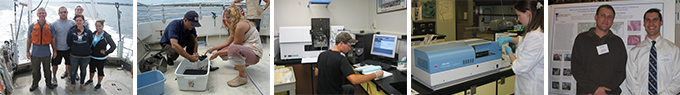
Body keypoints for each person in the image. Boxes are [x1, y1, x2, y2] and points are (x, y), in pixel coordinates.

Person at [570, 4, 627, 95]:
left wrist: (604, 91)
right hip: (586, 92)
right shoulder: (581, 39)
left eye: (609, 17)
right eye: (602, 15)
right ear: (596, 17)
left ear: (612, 21)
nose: (606, 19)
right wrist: (593, 89)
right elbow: (576, 67)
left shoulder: (618, 42)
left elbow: (621, 71)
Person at [623, 8, 680, 95]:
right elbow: (631, 81)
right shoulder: (635, 52)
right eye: (648, 20)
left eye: (655, 20)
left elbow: (678, 78)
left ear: (661, 22)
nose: (651, 23)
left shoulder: (673, 50)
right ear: (644, 23)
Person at [206, 6, 264, 87]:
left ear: (234, 17)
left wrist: (217, 53)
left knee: (233, 49)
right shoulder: (236, 25)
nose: (226, 20)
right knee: (221, 49)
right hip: (247, 50)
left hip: (255, 55)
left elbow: (235, 47)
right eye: (226, 17)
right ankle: (242, 65)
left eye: (228, 17)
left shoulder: (240, 26)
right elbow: (227, 42)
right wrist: (213, 49)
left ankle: (242, 77)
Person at [496, 0, 544, 94]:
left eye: (519, 15)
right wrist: (510, 39)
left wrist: (510, 53)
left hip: (532, 88)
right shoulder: (536, 32)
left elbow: (518, 67)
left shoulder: (536, 37)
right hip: (527, 84)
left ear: (528, 13)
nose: (518, 19)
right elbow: (525, 41)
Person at [313, 32, 384, 95]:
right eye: (349, 45)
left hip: (320, 93)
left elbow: (317, 72)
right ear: (341, 43)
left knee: (349, 88)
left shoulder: (322, 54)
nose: (350, 48)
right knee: (350, 88)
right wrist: (375, 75)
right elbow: (354, 80)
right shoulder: (341, 59)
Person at [27, 7, 57, 91]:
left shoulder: (50, 26)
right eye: (40, 13)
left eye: (43, 13)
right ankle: (35, 83)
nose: (41, 15)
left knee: (47, 70)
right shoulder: (31, 26)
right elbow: (29, 39)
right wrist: (27, 51)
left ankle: (48, 82)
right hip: (35, 54)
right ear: (37, 15)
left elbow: (53, 39)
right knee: (35, 71)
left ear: (46, 14)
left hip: (46, 54)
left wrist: (54, 51)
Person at [85, 20, 116, 90]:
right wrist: (90, 49)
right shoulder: (93, 34)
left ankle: (99, 83)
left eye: (99, 26)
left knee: (100, 71)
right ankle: (91, 79)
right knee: (91, 69)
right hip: (92, 56)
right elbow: (90, 42)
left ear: (102, 26)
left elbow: (113, 46)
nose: (98, 27)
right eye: (96, 26)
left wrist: (106, 52)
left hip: (101, 58)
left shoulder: (106, 36)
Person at [52, 6, 77, 85]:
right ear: (59, 13)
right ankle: (54, 77)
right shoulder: (54, 24)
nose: (63, 13)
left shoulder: (72, 23)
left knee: (69, 63)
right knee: (54, 64)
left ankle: (69, 75)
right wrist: (54, 50)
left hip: (69, 48)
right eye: (61, 12)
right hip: (58, 49)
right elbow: (53, 38)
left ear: (67, 12)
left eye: (64, 12)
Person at [67, 14, 93, 91]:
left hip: (86, 56)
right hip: (74, 55)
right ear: (75, 21)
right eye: (77, 20)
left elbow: (91, 42)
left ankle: (82, 83)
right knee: (73, 71)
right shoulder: (71, 31)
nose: (78, 22)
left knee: (83, 71)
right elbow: (68, 42)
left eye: (80, 20)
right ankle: (72, 83)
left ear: (84, 21)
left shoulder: (88, 32)